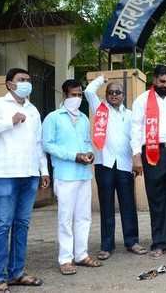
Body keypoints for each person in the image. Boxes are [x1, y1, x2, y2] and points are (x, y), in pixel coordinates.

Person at [0, 68, 50, 293]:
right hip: (4, 175)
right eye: (21, 80)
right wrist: (9, 121)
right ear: (9, 84)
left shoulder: (33, 110)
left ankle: (17, 272)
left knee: (22, 225)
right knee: (2, 225)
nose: (27, 83)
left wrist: (43, 170)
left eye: (28, 79)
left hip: (29, 175)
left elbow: (38, 144)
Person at [42, 79, 102, 275]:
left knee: (84, 217)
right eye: (73, 95)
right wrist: (73, 156)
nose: (76, 98)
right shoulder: (53, 117)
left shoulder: (84, 118)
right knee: (65, 218)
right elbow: (48, 145)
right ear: (64, 95)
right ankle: (65, 259)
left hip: (84, 174)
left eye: (79, 95)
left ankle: (81, 254)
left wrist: (88, 153)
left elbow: (86, 142)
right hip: (65, 175)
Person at [85, 75, 147, 260]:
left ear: (123, 96)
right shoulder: (100, 109)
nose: (114, 95)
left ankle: (132, 241)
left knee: (128, 204)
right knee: (106, 205)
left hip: (125, 165)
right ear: (106, 95)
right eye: (110, 92)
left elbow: (137, 138)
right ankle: (106, 245)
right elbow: (88, 91)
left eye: (117, 92)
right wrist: (102, 78)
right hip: (104, 164)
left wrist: (137, 160)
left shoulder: (130, 115)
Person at [130, 64, 166, 259]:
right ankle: (159, 242)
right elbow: (136, 128)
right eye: (162, 81)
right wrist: (136, 155)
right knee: (156, 198)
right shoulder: (142, 100)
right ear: (153, 80)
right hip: (152, 152)